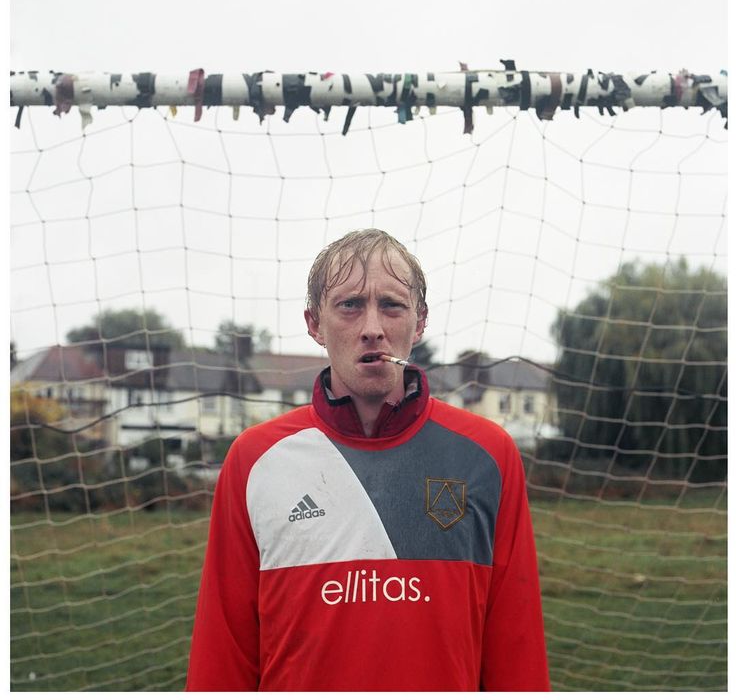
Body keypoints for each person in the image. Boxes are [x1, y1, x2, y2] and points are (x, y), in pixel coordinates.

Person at [185, 228, 550, 691]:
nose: (372, 327)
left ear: (419, 323)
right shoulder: (255, 459)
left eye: (392, 305)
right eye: (350, 304)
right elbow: (224, 651)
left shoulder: (487, 455)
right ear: (314, 323)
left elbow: (517, 648)